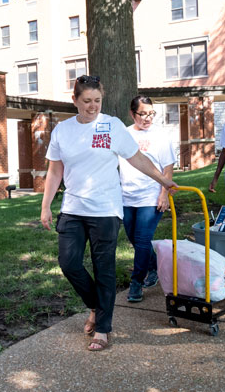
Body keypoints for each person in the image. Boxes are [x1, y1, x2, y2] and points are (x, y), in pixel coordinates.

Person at [40, 75, 177, 352]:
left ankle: (102, 328)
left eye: (97, 101)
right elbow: (55, 170)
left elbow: (135, 157)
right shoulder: (62, 131)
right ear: (75, 100)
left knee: (104, 269)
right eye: (87, 101)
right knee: (68, 263)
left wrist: (163, 180)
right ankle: (95, 306)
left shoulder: (111, 125)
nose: (93, 107)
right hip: (73, 208)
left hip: (105, 209)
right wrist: (45, 205)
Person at [119, 96, 176, 303]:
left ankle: (136, 283)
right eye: (142, 114)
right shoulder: (123, 134)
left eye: (151, 113)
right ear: (132, 114)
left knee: (143, 239)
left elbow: (168, 167)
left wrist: (164, 193)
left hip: (150, 196)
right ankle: (153, 266)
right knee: (134, 239)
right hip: (126, 196)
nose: (147, 118)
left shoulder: (161, 135)